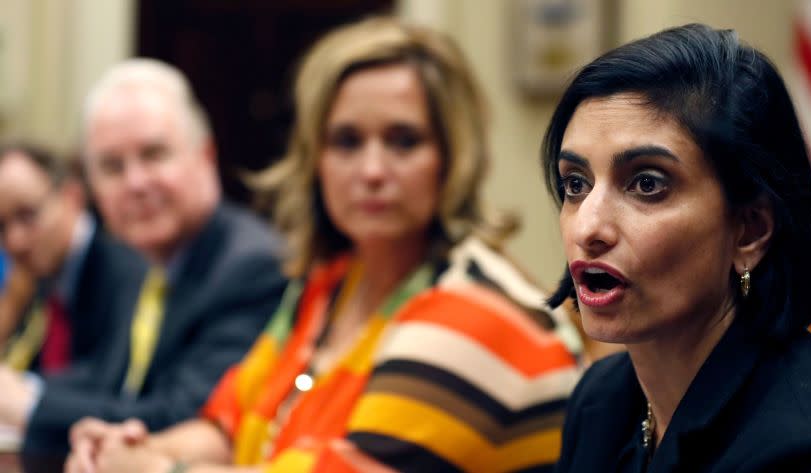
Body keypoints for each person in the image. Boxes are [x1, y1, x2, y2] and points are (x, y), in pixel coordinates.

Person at [65, 17, 582, 473]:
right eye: (346, 142)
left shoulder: (474, 311)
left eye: (403, 140)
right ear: (315, 161)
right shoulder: (330, 284)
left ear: (452, 157)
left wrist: (150, 468)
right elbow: (228, 426)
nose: (372, 171)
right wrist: (123, 448)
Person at [543, 24, 811, 472]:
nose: (587, 227)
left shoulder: (808, 448)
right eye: (576, 184)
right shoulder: (601, 402)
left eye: (646, 184)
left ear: (749, 231)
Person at [0, 59, 287, 459]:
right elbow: (111, 382)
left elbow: (185, 417)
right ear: (91, 184)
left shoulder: (250, 267)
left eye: (154, 154)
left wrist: (28, 405)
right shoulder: (149, 258)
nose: (135, 183)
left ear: (204, 155)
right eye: (112, 166)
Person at [0, 144, 143, 380]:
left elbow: (114, 382)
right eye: (1, 227)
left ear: (72, 197)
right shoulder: (36, 279)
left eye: (27, 215)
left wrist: (27, 392)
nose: (15, 241)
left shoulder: (124, 272)